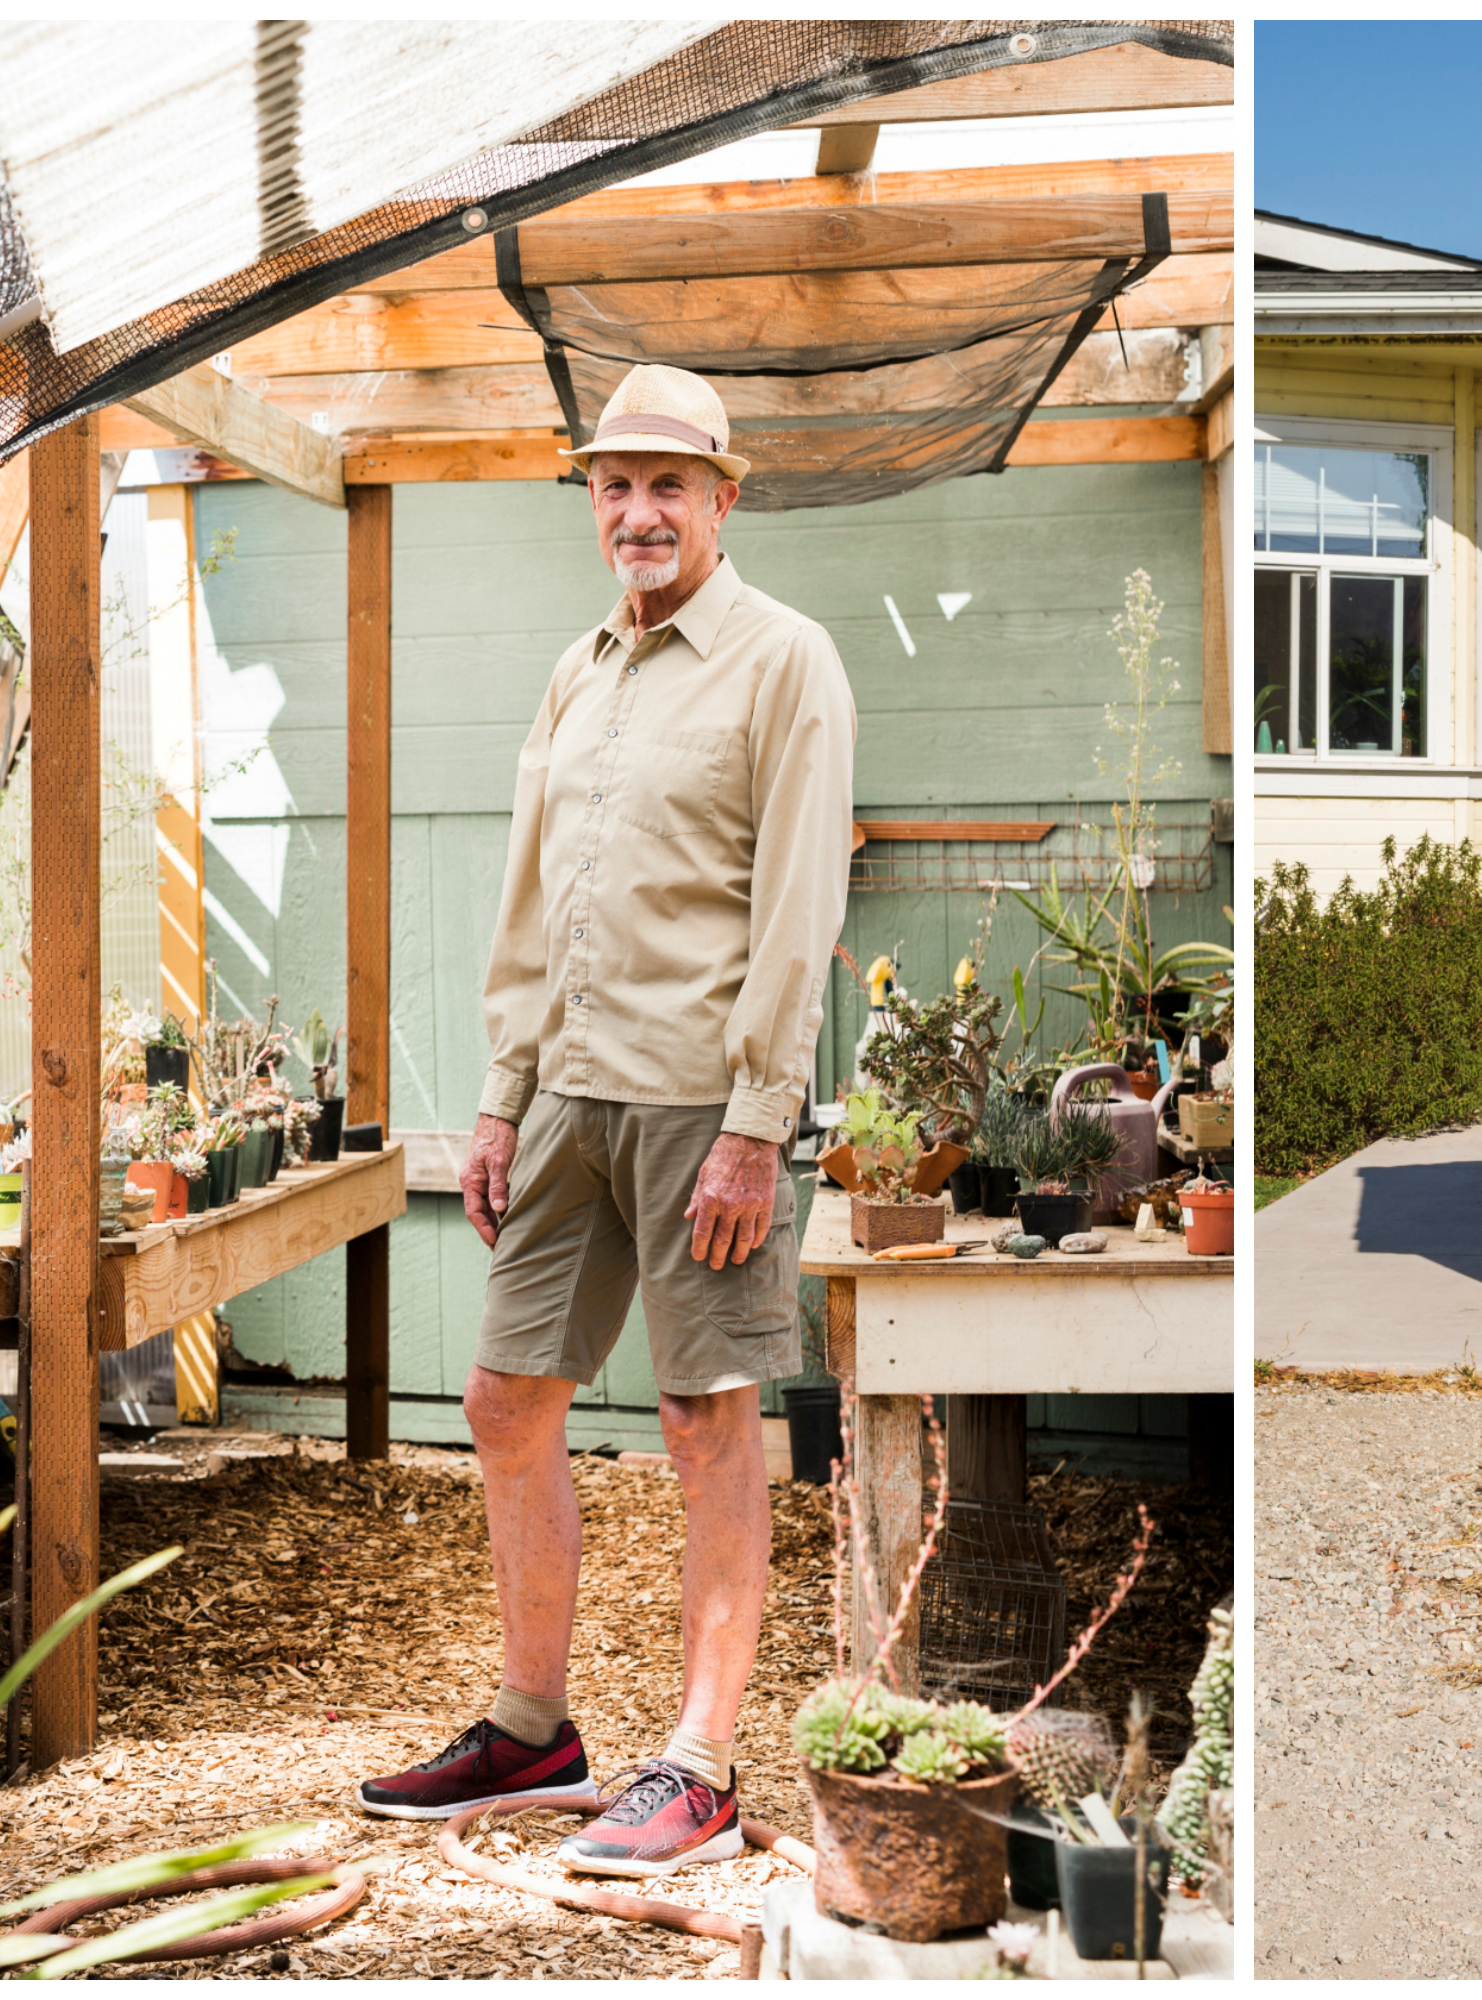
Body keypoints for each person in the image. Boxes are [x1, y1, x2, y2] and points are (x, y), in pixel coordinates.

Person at [353, 365, 856, 1878]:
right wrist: (503, 1095)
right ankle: (534, 1731)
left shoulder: (785, 661)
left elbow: (797, 900)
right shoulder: (578, 670)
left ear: (722, 496)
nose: (638, 512)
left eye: (667, 485)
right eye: (612, 486)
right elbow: (534, 892)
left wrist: (759, 1122)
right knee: (509, 1401)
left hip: (706, 1099)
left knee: (708, 1423)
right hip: (566, 1092)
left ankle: (698, 1760)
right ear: (593, 503)